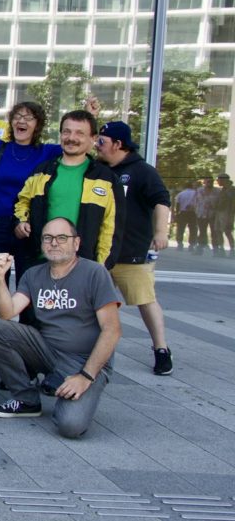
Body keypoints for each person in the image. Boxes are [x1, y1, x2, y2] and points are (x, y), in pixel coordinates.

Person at [0, 218, 123, 438]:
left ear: (76, 243)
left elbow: (112, 330)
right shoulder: (33, 274)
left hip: (85, 362)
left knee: (71, 426)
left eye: (61, 238)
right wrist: (0, 278)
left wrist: (85, 376)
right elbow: (7, 313)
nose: (54, 243)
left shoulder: (95, 273)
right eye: (48, 238)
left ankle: (69, 391)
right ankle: (26, 399)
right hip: (46, 350)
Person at [0, 84, 83, 277]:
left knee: (27, 279)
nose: (22, 121)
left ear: (38, 125)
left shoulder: (46, 152)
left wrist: (89, 117)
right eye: (17, 117)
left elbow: (76, 146)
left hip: (27, 226)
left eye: (28, 118)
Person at [95, 121, 173, 375]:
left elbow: (162, 201)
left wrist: (161, 232)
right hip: (103, 254)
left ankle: (161, 349)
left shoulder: (142, 171)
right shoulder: (99, 169)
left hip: (131, 253)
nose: (98, 146)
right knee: (94, 305)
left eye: (103, 142)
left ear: (119, 144)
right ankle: (92, 351)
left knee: (145, 300)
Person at [14, 110, 124, 269]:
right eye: (66, 132)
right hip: (41, 262)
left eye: (80, 133)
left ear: (93, 139)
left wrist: (101, 267)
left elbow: (110, 229)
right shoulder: (42, 172)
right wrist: (21, 221)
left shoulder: (106, 178)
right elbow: (21, 201)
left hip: (83, 266)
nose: (71, 138)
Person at [193, 176, 220, 255]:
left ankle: (216, 250)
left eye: (211, 181)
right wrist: (196, 210)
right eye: (207, 181)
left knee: (214, 232)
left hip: (213, 214)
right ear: (204, 182)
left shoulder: (217, 191)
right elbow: (195, 201)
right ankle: (199, 249)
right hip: (201, 214)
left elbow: (219, 202)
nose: (209, 183)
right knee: (202, 232)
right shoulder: (199, 190)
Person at [173, 180, 198, 250]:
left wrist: (177, 213)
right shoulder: (196, 193)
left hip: (183, 213)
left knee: (181, 228)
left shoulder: (181, 194)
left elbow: (177, 204)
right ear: (192, 186)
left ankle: (180, 244)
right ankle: (192, 245)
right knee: (193, 228)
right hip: (193, 213)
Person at [216, 173, 235, 257]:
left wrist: (230, 215)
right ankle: (221, 249)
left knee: (227, 231)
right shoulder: (223, 190)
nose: (218, 181)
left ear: (224, 180)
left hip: (227, 213)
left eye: (219, 179)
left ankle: (232, 250)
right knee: (217, 230)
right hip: (219, 213)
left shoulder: (232, 190)